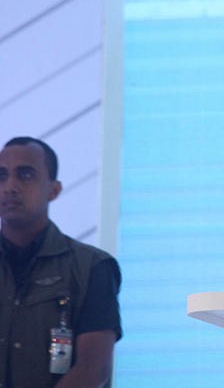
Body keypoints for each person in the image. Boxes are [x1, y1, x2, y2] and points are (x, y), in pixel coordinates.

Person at [0, 137, 122, 388]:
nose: (9, 186)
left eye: (25, 175)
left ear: (53, 190)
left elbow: (92, 369)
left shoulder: (92, 267)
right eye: (2, 175)